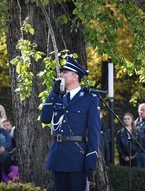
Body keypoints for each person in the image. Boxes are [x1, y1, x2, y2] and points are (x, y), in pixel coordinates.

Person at [40, 56, 101, 191]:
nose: (61, 74)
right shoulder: (58, 96)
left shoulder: (89, 99)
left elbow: (94, 130)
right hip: (58, 154)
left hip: (76, 156)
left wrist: (91, 156)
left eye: (65, 72)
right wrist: (53, 93)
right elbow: (44, 118)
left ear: (75, 76)